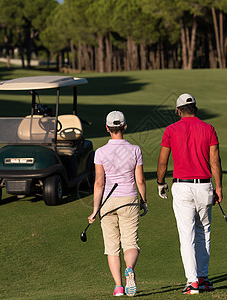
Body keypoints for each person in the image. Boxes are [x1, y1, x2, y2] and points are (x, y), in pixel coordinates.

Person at [156, 93, 222, 295]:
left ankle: (192, 282)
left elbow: (162, 162)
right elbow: (215, 161)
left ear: (178, 111)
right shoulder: (208, 128)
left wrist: (160, 182)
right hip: (204, 186)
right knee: (204, 232)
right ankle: (203, 278)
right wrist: (218, 187)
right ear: (196, 108)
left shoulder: (171, 130)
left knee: (187, 235)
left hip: (182, 186)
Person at [88, 111, 148, 297]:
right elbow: (140, 180)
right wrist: (144, 200)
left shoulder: (100, 153)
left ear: (107, 128)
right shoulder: (135, 150)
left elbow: (99, 182)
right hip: (129, 200)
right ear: (125, 126)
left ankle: (118, 287)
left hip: (107, 202)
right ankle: (129, 268)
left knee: (112, 247)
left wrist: (95, 210)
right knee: (131, 243)